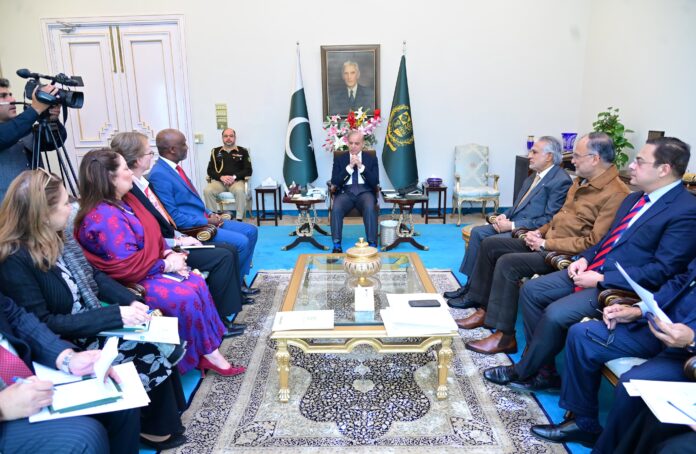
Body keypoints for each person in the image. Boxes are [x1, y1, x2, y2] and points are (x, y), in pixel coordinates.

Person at [483, 137, 696, 393]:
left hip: (621, 286)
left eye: (640, 162)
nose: (631, 165)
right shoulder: (635, 200)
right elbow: (606, 240)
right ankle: (545, 371)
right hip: (593, 268)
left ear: (664, 169)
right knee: (531, 291)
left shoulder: (685, 210)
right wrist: (585, 258)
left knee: (556, 313)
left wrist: (602, 279)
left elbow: (663, 271)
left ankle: (524, 370)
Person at [0, 169, 191, 449]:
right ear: (43, 215)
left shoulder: (58, 236)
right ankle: (153, 427)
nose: (71, 207)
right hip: (67, 335)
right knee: (145, 352)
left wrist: (130, 302)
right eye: (65, 203)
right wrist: (113, 315)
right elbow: (44, 323)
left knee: (157, 335)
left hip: (87, 321)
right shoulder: (15, 259)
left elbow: (95, 277)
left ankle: (161, 421)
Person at [74, 148, 245, 378]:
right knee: (184, 295)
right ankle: (195, 357)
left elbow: (150, 236)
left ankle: (208, 351)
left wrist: (168, 253)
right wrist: (168, 265)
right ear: (110, 178)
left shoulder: (125, 200)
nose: (130, 173)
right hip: (126, 280)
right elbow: (126, 266)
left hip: (147, 267)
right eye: (125, 169)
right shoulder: (103, 216)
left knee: (195, 281)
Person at [452, 132, 630, 354]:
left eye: (576, 156)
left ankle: (504, 336)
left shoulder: (616, 193)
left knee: (508, 263)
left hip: (565, 253)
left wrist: (546, 243)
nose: (572, 161)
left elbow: (594, 242)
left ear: (595, 159)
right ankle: (484, 309)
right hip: (546, 240)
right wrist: (538, 232)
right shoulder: (581, 181)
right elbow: (558, 218)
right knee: (490, 244)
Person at [529, 255, 696, 450]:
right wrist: (637, 310)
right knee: (582, 334)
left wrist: (692, 339)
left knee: (631, 385)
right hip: (660, 324)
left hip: (686, 355)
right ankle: (584, 424)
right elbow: (681, 282)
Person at [111, 131, 249, 337]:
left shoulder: (142, 184)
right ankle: (221, 320)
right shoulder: (133, 190)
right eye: (149, 152)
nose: (153, 156)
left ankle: (225, 312)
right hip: (166, 247)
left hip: (173, 239)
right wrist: (174, 243)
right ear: (138, 160)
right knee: (225, 255)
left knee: (229, 249)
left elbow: (164, 218)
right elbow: (153, 229)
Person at [0, 292, 140, 453]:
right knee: (83, 438)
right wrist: (3, 406)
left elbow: (15, 317)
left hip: (25, 376)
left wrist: (67, 359)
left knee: (123, 397)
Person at [444, 136, 572, 300]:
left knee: (489, 241)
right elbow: (518, 206)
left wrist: (511, 225)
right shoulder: (534, 176)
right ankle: (470, 286)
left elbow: (549, 219)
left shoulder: (560, 181)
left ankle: (474, 294)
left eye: (534, 152)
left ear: (549, 156)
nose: (529, 156)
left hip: (529, 232)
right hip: (513, 223)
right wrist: (504, 215)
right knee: (477, 232)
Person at [148, 129, 258, 286]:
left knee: (251, 231)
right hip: (194, 227)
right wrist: (207, 221)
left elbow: (193, 200)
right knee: (241, 242)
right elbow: (174, 217)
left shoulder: (174, 169)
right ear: (172, 149)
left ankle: (239, 281)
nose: (187, 147)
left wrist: (210, 213)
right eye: (183, 144)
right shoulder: (160, 174)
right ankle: (234, 286)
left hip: (204, 217)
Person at [0, 78, 65, 201]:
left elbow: (54, 143)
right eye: (3, 96)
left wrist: (52, 120)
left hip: (36, 203)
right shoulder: (19, 126)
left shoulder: (23, 125)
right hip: (7, 209)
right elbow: (6, 135)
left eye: (10, 94)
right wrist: (36, 109)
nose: (12, 100)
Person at [329, 130, 379, 253]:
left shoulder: (371, 158)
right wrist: (349, 167)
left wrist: (361, 167)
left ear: (362, 144)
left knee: (369, 207)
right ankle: (336, 244)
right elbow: (335, 181)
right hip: (345, 192)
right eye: (351, 143)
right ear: (347, 143)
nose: (353, 146)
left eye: (357, 143)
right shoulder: (340, 159)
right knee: (336, 208)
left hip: (365, 192)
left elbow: (375, 181)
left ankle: (372, 244)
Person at [203, 128, 252, 219]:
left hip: (236, 181)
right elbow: (210, 170)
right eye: (225, 136)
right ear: (222, 138)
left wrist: (234, 177)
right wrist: (221, 177)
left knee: (239, 190)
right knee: (207, 190)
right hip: (220, 182)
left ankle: (239, 219)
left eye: (231, 136)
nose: (228, 138)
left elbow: (248, 170)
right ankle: (213, 218)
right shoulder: (215, 152)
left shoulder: (243, 151)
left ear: (235, 138)